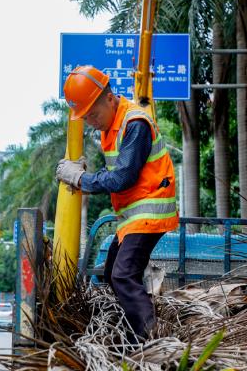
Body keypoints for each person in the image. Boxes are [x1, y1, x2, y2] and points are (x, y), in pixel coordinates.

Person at [56, 65, 179, 341]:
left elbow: (121, 178)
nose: (91, 122)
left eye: (93, 114)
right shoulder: (113, 124)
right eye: (85, 118)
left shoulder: (134, 123)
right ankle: (137, 329)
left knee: (123, 275)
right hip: (132, 217)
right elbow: (116, 170)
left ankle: (152, 340)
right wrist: (86, 175)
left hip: (149, 211)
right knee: (114, 271)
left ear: (109, 98)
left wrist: (81, 179)